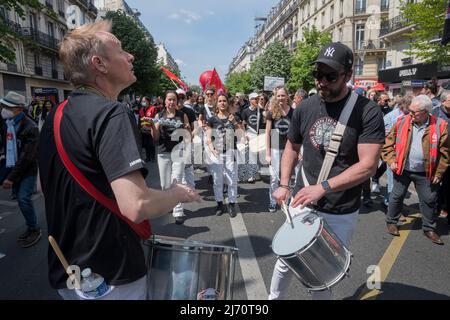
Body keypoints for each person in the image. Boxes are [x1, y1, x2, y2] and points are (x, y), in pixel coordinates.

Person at [38, 21, 200, 300]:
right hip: (112, 276)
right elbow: (136, 205)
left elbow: (43, 186)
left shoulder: (55, 115)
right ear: (99, 64)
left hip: (70, 274)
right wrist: (176, 194)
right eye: (121, 50)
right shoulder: (111, 113)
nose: (130, 56)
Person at [269, 42, 385, 300]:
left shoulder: (367, 111)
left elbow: (368, 165)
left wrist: (322, 188)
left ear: (348, 75)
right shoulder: (306, 106)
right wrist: (285, 184)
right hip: (302, 200)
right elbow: (291, 146)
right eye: (317, 75)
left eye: (330, 76)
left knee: (320, 276)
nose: (322, 82)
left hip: (340, 209)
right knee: (284, 260)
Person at [382, 95, 449, 244]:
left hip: (427, 172)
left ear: (426, 112)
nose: (410, 114)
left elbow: (445, 153)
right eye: (410, 111)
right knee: (396, 196)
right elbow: (387, 142)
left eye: (414, 112)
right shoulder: (402, 121)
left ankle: (429, 228)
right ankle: (391, 222)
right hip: (402, 169)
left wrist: (439, 172)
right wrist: (391, 160)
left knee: (429, 200)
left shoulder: (440, 125)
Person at [1, 91, 41, 248]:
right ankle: (30, 226)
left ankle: (34, 229)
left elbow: (27, 157)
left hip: (27, 169)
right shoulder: (7, 123)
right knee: (19, 197)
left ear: (18, 109)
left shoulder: (31, 127)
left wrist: (11, 178)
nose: (3, 108)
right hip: (12, 166)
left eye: (7, 106)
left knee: (24, 198)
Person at [150, 91, 191, 225]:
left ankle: (178, 211)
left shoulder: (182, 115)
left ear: (177, 101)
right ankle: (169, 204)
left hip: (178, 150)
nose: (171, 102)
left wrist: (187, 129)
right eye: (169, 99)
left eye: (174, 100)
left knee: (177, 180)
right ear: (165, 101)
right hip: (163, 152)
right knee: (164, 184)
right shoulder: (159, 115)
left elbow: (188, 136)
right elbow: (155, 137)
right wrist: (152, 127)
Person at [206, 94, 242, 217]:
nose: (222, 103)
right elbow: (209, 138)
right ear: (217, 103)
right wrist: (212, 149)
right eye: (220, 101)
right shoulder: (212, 119)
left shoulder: (234, 117)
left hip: (231, 151)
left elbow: (242, 135)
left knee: (232, 180)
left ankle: (232, 204)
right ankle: (220, 204)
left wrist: (235, 123)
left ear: (227, 103)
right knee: (217, 181)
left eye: (224, 101)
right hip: (217, 153)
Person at [265, 86, 294, 213]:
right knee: (274, 177)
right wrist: (268, 153)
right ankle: (272, 201)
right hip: (275, 149)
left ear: (287, 96)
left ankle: (286, 202)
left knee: (288, 177)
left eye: (283, 95)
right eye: (278, 96)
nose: (281, 98)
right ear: (275, 97)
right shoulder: (272, 112)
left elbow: (299, 133)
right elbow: (267, 133)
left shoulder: (294, 112)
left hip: (290, 149)